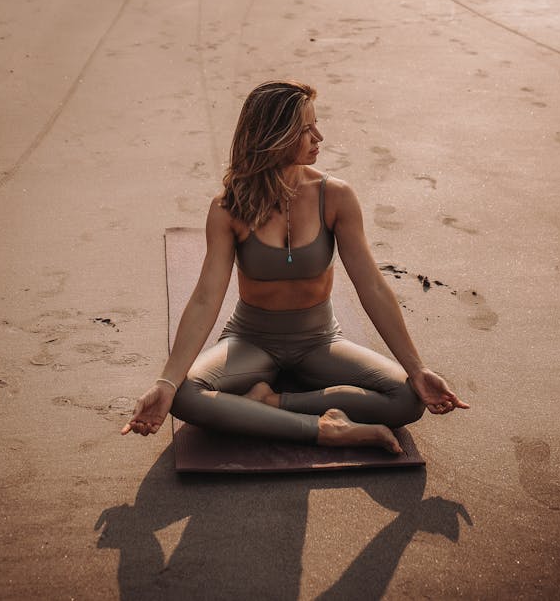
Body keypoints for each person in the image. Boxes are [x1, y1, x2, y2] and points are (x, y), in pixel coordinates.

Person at [122, 80, 468, 453]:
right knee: (184, 396)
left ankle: (270, 404)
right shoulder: (228, 207)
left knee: (409, 399)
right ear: (274, 135)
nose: (318, 136)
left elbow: (372, 286)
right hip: (251, 339)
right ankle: (326, 429)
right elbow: (207, 297)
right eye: (305, 129)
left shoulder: (335, 196)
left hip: (320, 340)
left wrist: (417, 369)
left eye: (315, 124)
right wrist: (166, 382)